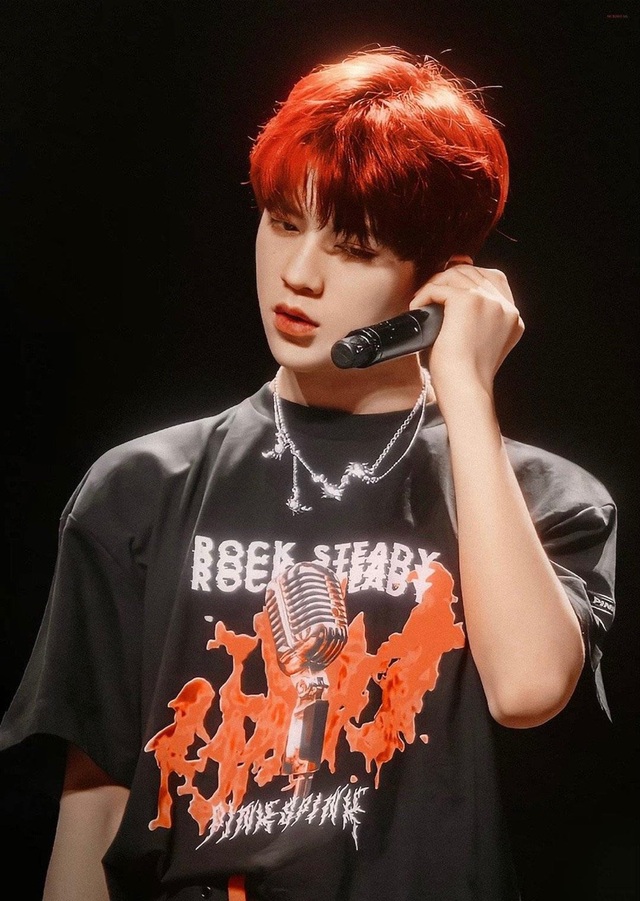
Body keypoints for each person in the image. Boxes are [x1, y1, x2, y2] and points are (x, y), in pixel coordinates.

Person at [0, 46, 617, 901]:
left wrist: (467, 391)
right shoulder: (139, 487)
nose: (298, 273)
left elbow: (527, 688)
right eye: (284, 222)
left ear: (440, 281)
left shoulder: (546, 499)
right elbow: (96, 802)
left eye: (354, 247)